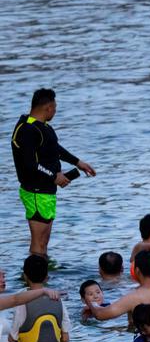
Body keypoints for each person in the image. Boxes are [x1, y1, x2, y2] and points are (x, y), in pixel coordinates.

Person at [10, 88, 96, 257]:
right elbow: (30, 164)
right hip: (35, 192)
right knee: (38, 242)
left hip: (46, 192)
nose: (55, 112)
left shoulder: (43, 127)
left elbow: (54, 148)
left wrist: (78, 162)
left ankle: (43, 274)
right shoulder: (27, 130)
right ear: (48, 107)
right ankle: (34, 280)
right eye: (55, 108)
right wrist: (54, 176)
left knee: (44, 241)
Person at [8, 254, 71, 342]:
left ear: (25, 276)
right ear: (47, 277)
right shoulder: (58, 299)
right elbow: (65, 339)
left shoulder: (22, 300)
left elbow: (13, 338)